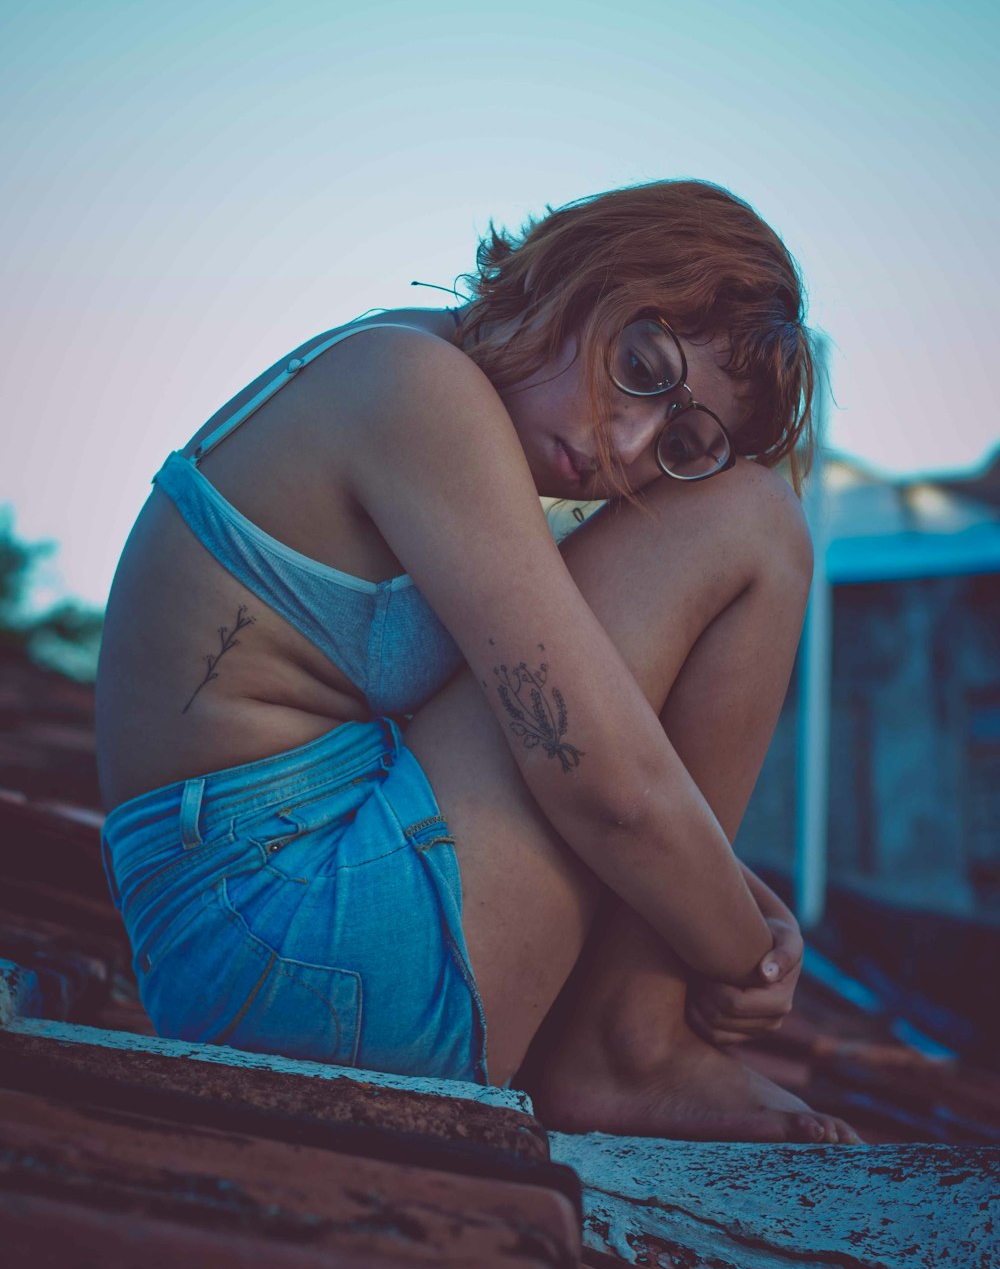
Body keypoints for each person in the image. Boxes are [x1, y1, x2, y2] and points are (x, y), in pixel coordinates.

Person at [96, 178, 861, 1143]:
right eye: (639, 365)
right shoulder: (417, 390)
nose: (625, 445)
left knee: (731, 518)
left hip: (266, 955)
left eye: (680, 441)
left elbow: (588, 743)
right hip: (300, 954)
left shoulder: (417, 372)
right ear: (582, 272)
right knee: (755, 519)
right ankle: (631, 1046)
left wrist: (731, 898)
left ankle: (627, 1038)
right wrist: (751, 959)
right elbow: (605, 785)